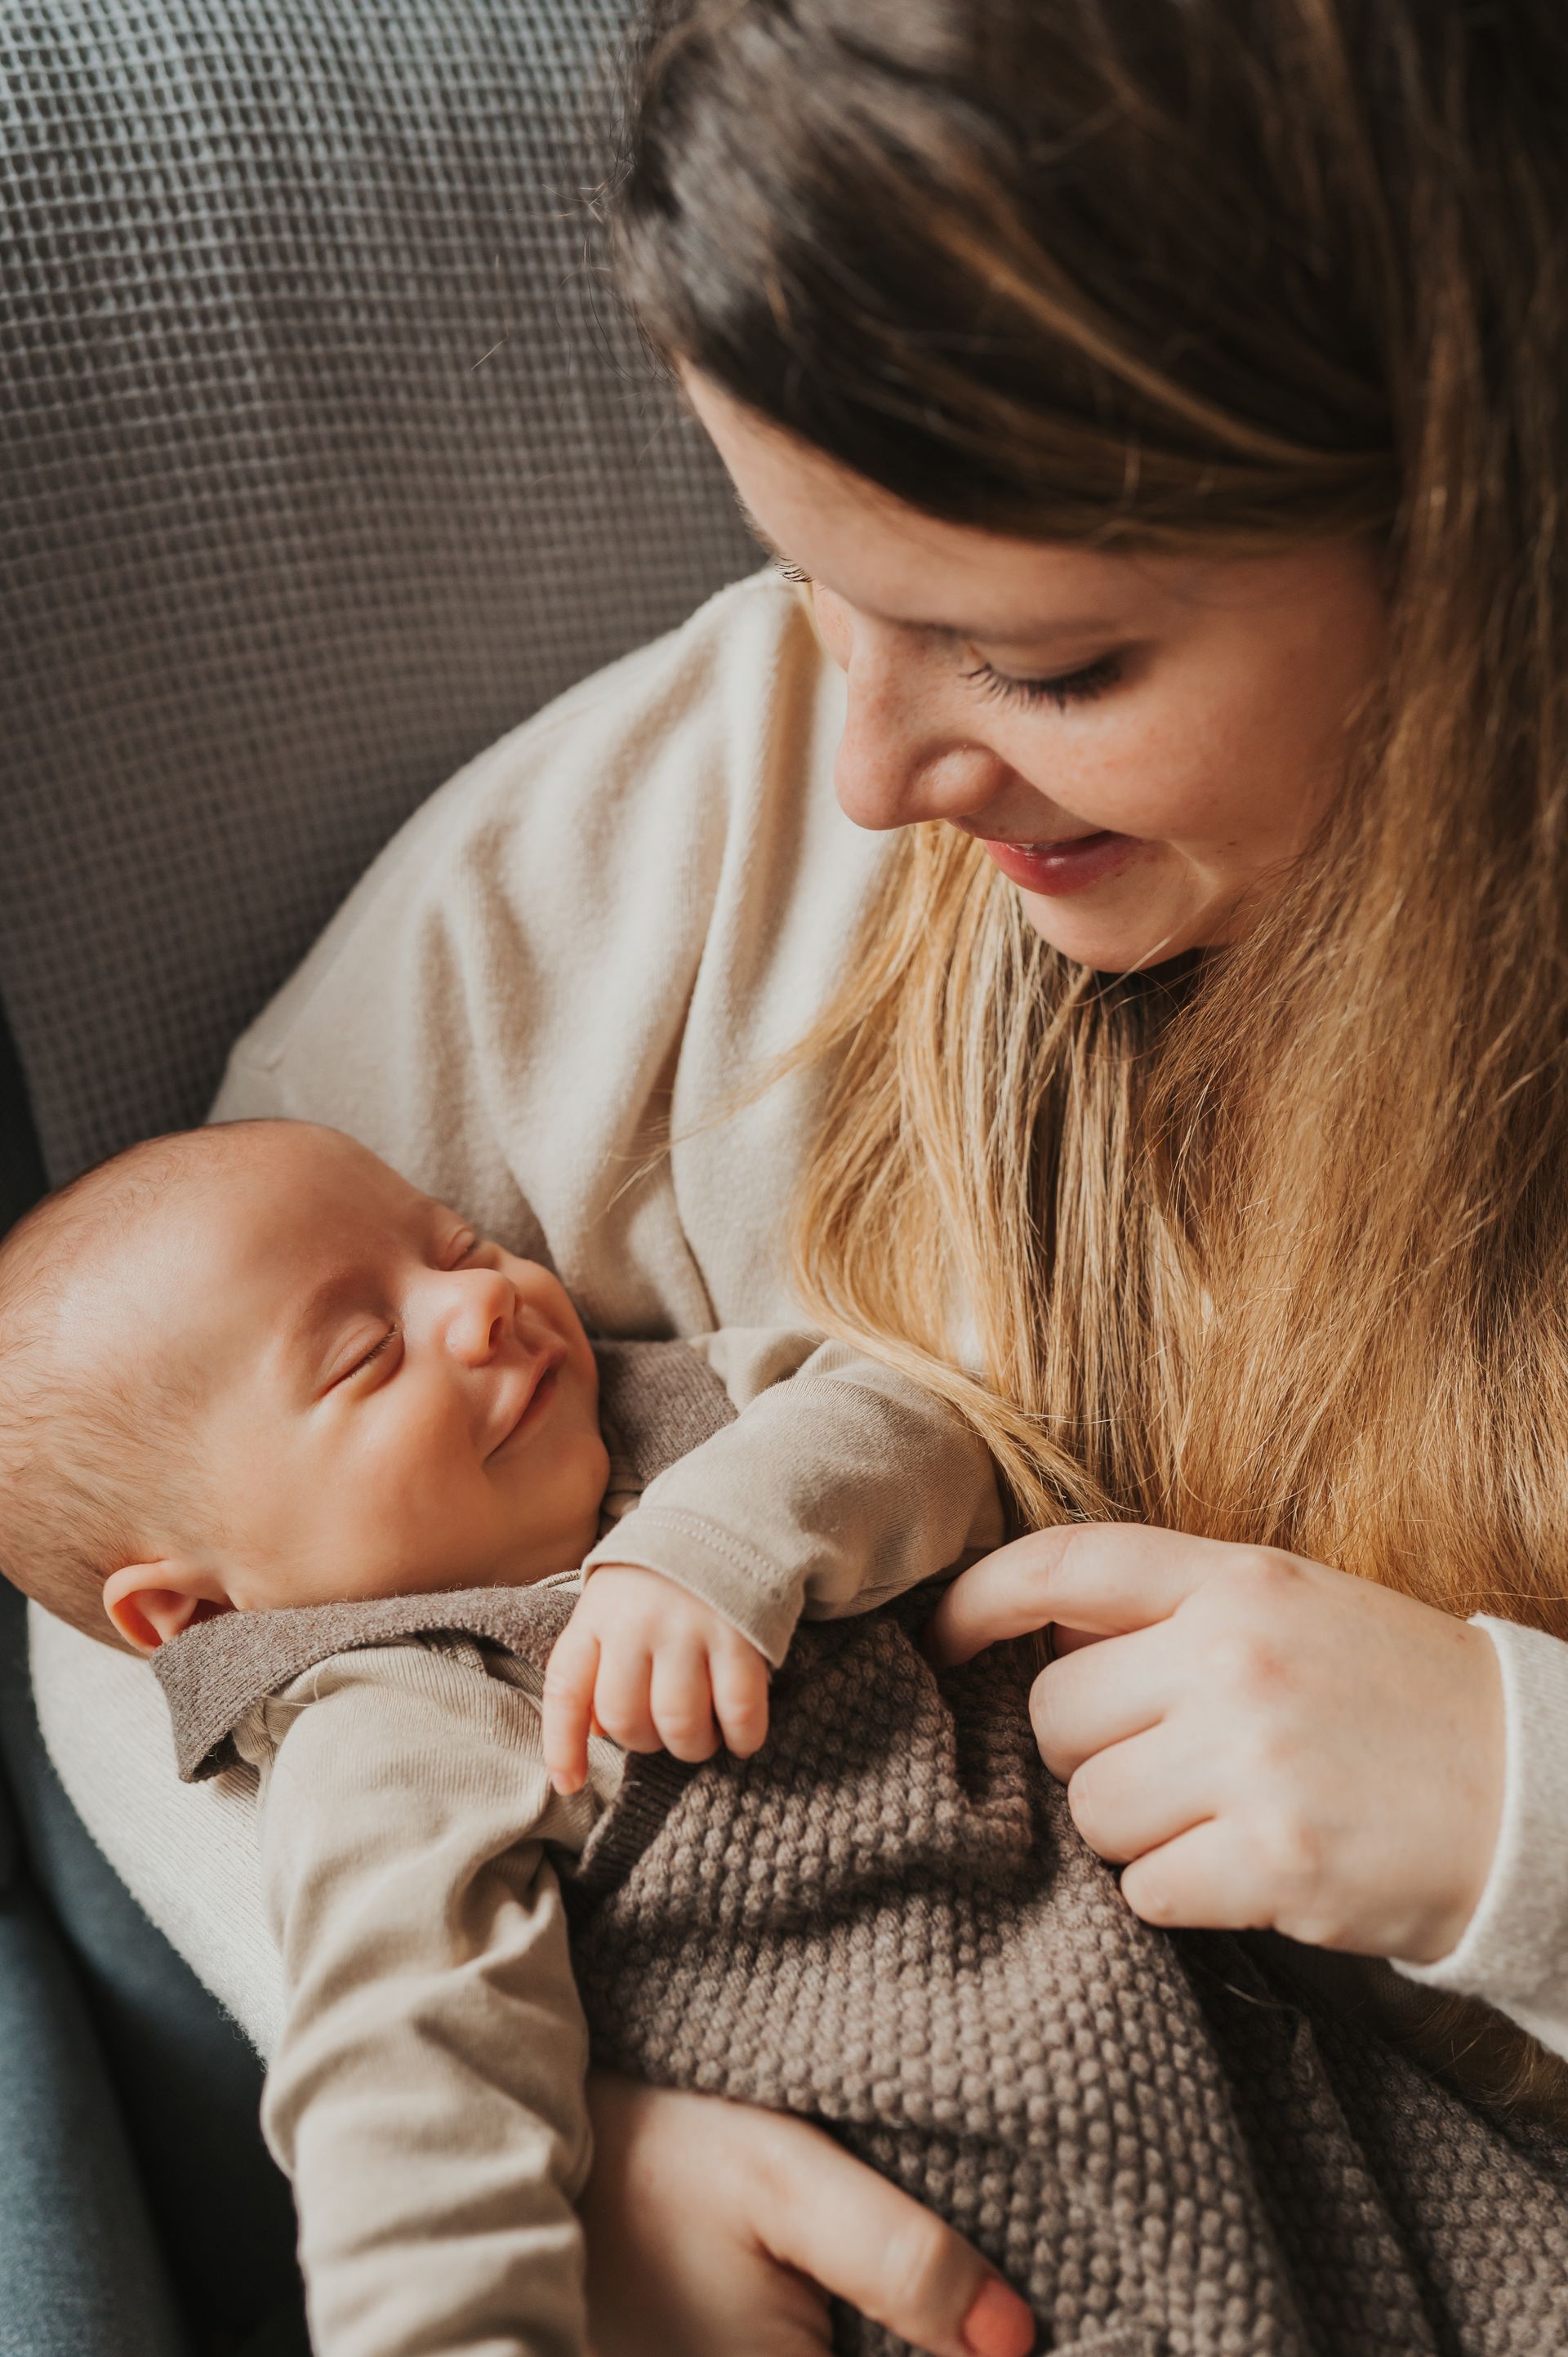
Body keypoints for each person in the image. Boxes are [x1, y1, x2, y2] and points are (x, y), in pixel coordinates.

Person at [29, 0, 1568, 2343]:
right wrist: (544, 2142)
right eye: (807, 573)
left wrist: (1511, 1809)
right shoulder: (711, 834)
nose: (865, 763)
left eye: (1042, 658)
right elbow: (141, 1539)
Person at [0, 1115, 1004, 2355]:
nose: (481, 1306)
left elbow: (941, 1423)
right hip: (887, 2160)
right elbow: (409, 2089)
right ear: (201, 1608)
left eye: (457, 1244)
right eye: (366, 1354)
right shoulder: (391, 1725)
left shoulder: (683, 1407)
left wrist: (719, 1540)